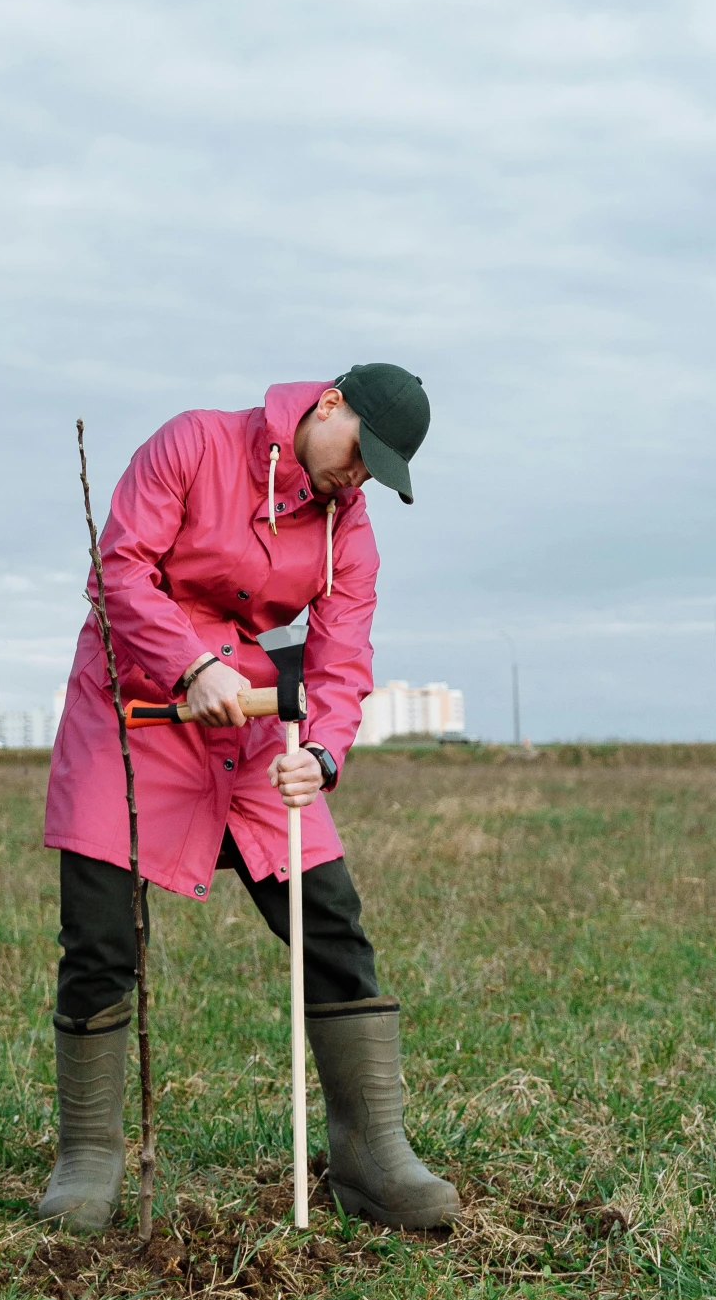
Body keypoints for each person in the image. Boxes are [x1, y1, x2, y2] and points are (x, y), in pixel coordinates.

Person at [39, 365, 460, 1234]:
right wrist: (189, 665)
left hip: (253, 727)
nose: (360, 477)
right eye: (360, 454)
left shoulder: (350, 523)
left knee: (332, 923)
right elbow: (118, 570)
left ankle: (373, 1155)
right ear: (329, 403)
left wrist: (321, 754)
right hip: (133, 705)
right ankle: (88, 1156)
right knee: (99, 938)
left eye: (378, 471)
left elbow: (341, 656)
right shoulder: (194, 441)